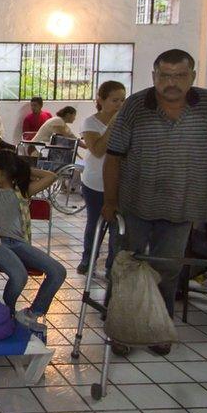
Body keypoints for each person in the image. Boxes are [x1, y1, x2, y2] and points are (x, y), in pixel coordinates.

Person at [103, 48, 207, 357]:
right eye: (164, 75)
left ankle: (160, 326)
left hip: (182, 206)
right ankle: (121, 327)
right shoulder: (136, 106)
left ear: (192, 76)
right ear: (154, 77)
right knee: (126, 265)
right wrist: (110, 201)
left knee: (168, 270)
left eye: (180, 75)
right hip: (135, 202)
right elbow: (113, 157)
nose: (172, 83)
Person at [0, 150, 63, 331]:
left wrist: (17, 165)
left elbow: (51, 176)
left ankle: (32, 313)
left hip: (18, 243)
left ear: (5, 170)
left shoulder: (23, 191)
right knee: (19, 276)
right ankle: (6, 313)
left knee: (58, 271)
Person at [77, 81, 127, 275]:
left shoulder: (126, 123)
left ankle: (112, 265)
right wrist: (113, 125)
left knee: (117, 227)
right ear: (101, 100)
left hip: (119, 182)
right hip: (95, 182)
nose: (119, 105)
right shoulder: (90, 122)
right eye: (115, 100)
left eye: (123, 100)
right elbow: (97, 150)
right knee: (95, 222)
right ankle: (88, 260)